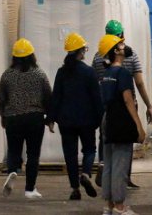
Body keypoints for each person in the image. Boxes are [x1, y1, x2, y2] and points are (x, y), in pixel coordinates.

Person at [93, 19, 152, 190]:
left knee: (105, 137)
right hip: (125, 105)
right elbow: (139, 83)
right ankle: (122, 180)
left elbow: (94, 79)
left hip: (105, 103)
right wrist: (148, 105)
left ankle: (104, 163)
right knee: (125, 141)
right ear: (121, 35)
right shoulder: (129, 54)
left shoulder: (98, 55)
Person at [47, 33, 104, 201]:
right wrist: (101, 119)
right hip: (86, 120)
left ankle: (74, 189)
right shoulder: (89, 72)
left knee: (70, 155)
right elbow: (96, 98)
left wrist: (50, 119)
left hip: (66, 121)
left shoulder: (61, 72)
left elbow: (56, 96)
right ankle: (86, 173)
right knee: (89, 149)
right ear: (80, 52)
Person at [0, 39, 52, 199]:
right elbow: (48, 96)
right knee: (33, 154)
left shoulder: (7, 75)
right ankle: (30, 189)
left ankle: (13, 170)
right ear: (32, 55)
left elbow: (1, 97)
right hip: (34, 118)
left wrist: (3, 115)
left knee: (14, 149)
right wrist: (49, 117)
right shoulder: (39, 74)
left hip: (13, 118)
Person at [98, 34, 146, 215]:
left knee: (109, 164)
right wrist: (139, 126)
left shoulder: (108, 73)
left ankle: (109, 206)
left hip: (108, 119)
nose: (124, 46)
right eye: (121, 44)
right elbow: (128, 100)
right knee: (120, 166)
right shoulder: (124, 73)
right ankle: (120, 207)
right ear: (115, 51)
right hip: (121, 120)